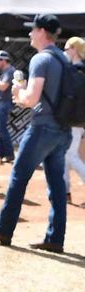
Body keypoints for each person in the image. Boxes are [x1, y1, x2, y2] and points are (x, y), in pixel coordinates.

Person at [0, 13, 72, 252]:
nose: (30, 33)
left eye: (33, 29)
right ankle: (55, 238)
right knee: (57, 186)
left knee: (18, 177)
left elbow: (31, 98)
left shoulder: (41, 60)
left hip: (42, 127)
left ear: (42, 32)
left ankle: (3, 229)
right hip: (63, 129)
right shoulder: (64, 58)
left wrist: (19, 94)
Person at [63, 36, 85, 204]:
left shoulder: (77, 70)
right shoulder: (78, 68)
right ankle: (65, 192)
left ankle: (65, 191)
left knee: (71, 157)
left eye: (67, 48)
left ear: (75, 50)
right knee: (66, 156)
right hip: (76, 121)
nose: (64, 51)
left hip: (74, 120)